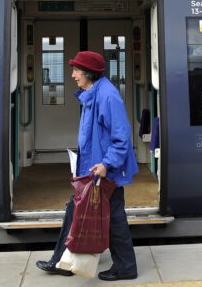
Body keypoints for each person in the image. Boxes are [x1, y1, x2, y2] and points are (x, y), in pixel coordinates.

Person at [36, 50, 140, 282]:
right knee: (77, 210)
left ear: (89, 73)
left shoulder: (107, 96)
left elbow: (121, 138)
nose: (72, 75)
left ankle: (125, 267)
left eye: (76, 70)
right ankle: (63, 261)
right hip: (92, 170)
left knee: (113, 219)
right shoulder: (93, 93)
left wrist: (106, 164)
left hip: (104, 172)